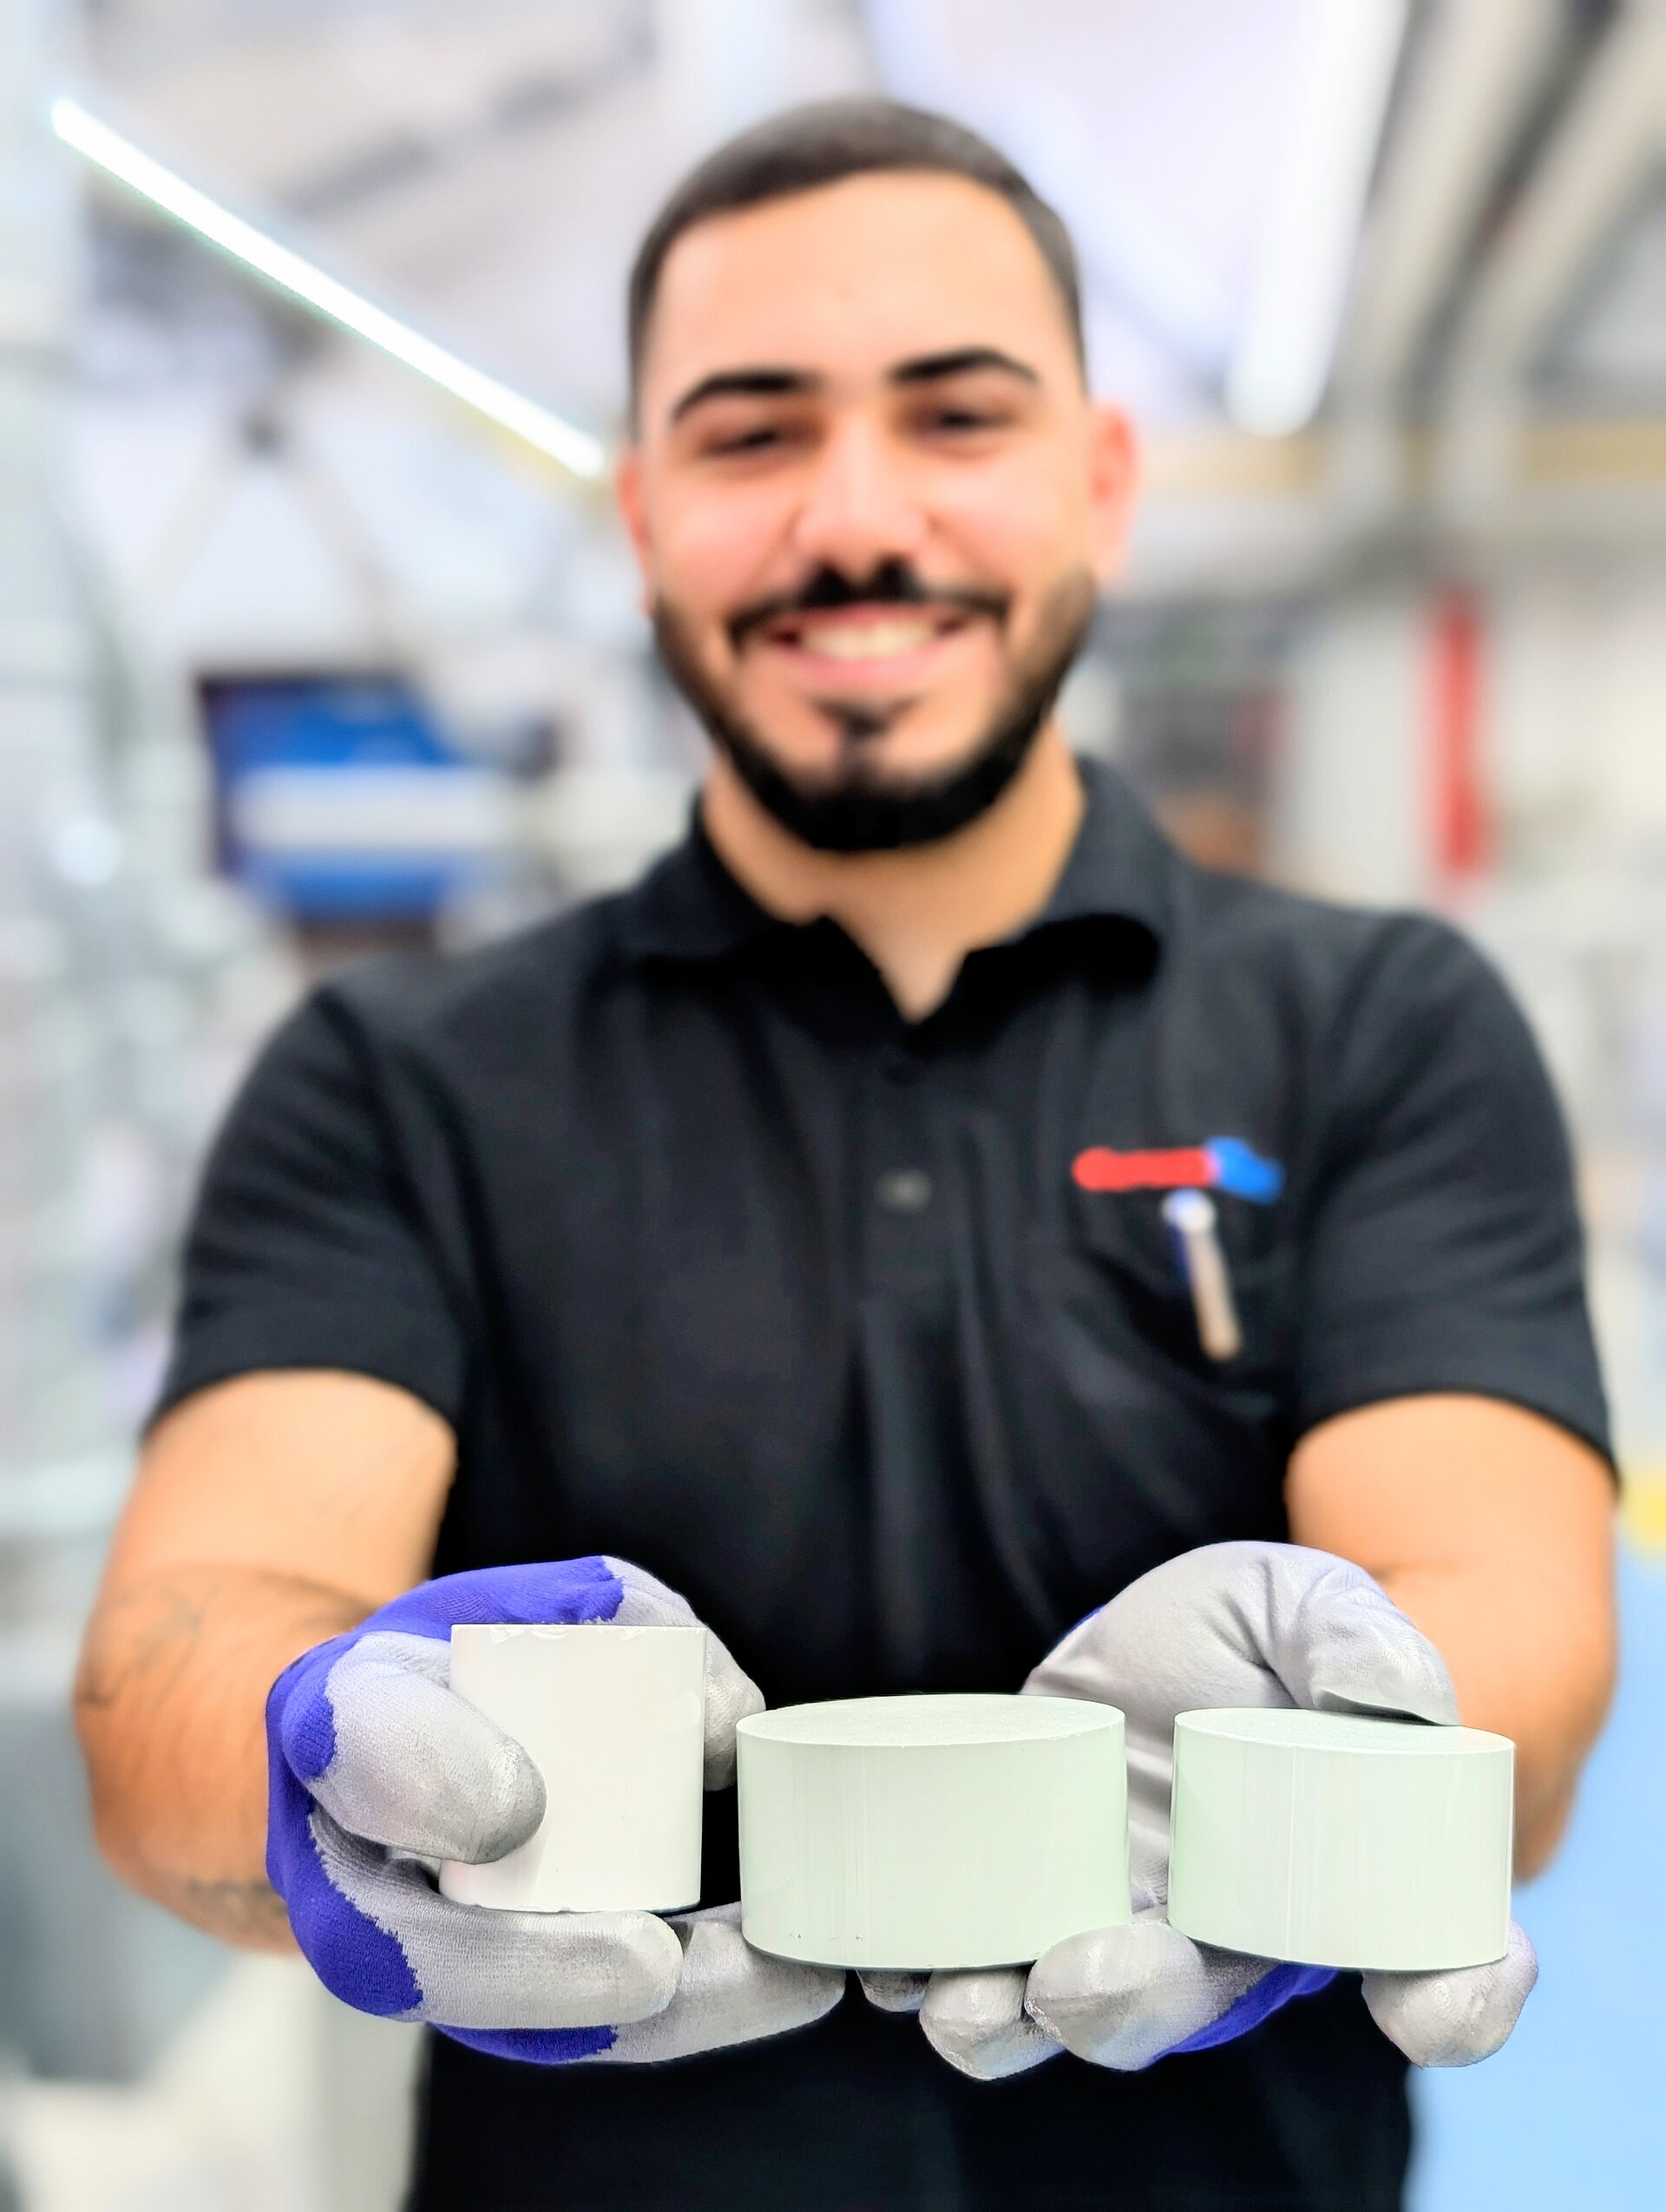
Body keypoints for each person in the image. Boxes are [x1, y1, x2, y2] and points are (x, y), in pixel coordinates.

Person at [75, 100, 1617, 2212]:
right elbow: (177, 1641)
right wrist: (312, 1754)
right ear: (640, 510)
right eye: (751, 434)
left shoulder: (1380, 1030)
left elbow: (1511, 1639)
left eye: (957, 417)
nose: (855, 518)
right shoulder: (395, 1078)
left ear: (1100, 482)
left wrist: (1350, 1754)